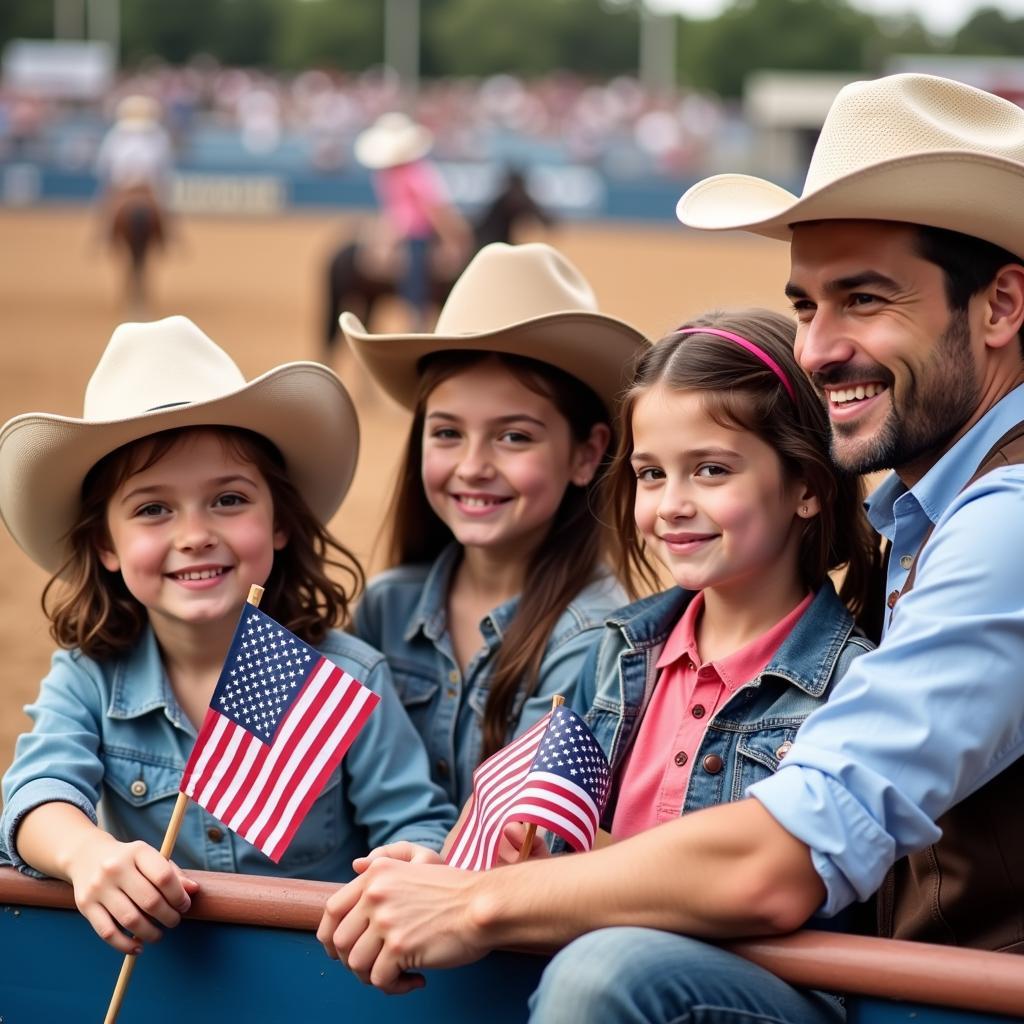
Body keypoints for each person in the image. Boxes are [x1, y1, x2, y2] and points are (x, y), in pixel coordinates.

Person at [312, 72, 1024, 1020]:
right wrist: (463, 865)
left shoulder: (1004, 520)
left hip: (946, 995)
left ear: (1001, 306)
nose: (818, 350)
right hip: (915, 986)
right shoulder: (927, 510)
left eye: (864, 299)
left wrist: (481, 898)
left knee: (605, 982)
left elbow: (790, 855)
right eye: (806, 306)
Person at [0, 315, 456, 956]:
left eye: (229, 500)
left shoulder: (344, 681)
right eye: (154, 508)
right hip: (162, 982)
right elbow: (36, 792)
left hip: (321, 985)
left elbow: (419, 823)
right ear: (106, 542)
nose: (195, 534)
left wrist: (415, 861)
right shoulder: (88, 677)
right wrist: (84, 853)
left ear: (278, 523)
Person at [339, 241, 649, 807]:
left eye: (514, 437)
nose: (473, 467)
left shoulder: (590, 636)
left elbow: (514, 841)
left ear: (586, 454)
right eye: (448, 432)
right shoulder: (386, 607)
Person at [354, 111, 471, 330]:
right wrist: (451, 239)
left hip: (411, 231)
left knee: (415, 263)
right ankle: (417, 316)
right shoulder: (416, 172)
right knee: (416, 267)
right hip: (413, 233)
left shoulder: (399, 173)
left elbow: (422, 210)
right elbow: (435, 208)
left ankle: (416, 313)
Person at [94, 94, 174, 308]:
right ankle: (168, 237)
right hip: (146, 187)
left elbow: (104, 166)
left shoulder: (115, 136)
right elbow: (163, 168)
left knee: (107, 208)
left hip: (124, 187)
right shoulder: (157, 136)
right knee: (164, 209)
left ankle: (102, 235)